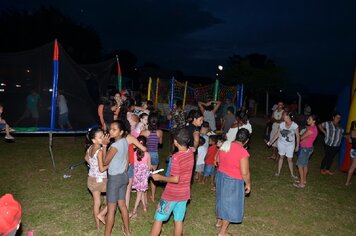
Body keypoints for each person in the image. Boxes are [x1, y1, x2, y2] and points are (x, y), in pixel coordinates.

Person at [150, 128, 194, 236]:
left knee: (158, 218)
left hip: (171, 194)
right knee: (178, 220)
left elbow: (175, 179)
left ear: (175, 141)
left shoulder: (176, 157)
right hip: (184, 193)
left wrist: (160, 177)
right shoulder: (191, 153)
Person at [215, 128, 251, 236]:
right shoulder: (242, 152)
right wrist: (248, 183)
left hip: (220, 176)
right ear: (247, 140)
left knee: (221, 199)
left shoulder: (225, 144)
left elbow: (217, 159)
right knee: (230, 205)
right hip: (233, 180)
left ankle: (219, 221)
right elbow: (244, 173)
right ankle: (223, 232)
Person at [102, 120, 131, 236]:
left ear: (121, 132)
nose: (111, 131)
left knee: (111, 210)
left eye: (114, 129)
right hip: (124, 177)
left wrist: (104, 146)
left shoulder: (114, 146)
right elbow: (127, 159)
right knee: (123, 206)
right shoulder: (125, 141)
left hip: (114, 180)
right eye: (111, 129)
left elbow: (105, 162)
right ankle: (127, 231)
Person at [84, 128, 108, 229]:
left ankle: (98, 225)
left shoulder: (90, 148)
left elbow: (86, 158)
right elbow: (102, 168)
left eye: (103, 136)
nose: (103, 138)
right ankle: (101, 215)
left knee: (97, 202)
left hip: (91, 179)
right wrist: (111, 164)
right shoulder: (100, 151)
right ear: (94, 140)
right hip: (101, 180)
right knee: (114, 198)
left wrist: (92, 165)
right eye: (100, 137)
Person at [268, 112, 300, 179]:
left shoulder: (294, 125)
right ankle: (278, 172)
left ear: (289, 117)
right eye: (283, 116)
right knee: (281, 157)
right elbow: (277, 134)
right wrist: (271, 142)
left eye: (284, 116)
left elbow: (297, 136)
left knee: (290, 159)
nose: (283, 117)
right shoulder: (282, 124)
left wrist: (297, 145)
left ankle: (292, 174)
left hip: (290, 145)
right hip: (281, 143)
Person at [141, 112, 163, 203]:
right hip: (154, 154)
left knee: (145, 176)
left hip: (146, 155)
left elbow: (140, 143)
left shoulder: (144, 132)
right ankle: (153, 196)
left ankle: (144, 198)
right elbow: (160, 143)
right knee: (153, 176)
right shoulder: (160, 132)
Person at [294, 115, 318, 188]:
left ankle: (301, 184)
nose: (307, 120)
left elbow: (301, 137)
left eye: (309, 119)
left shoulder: (312, 129)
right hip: (307, 148)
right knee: (304, 164)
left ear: (314, 121)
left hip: (305, 149)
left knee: (300, 165)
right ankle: (303, 180)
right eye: (308, 119)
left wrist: (299, 134)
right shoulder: (311, 128)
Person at [130, 135, 151, 218]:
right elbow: (149, 167)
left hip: (136, 176)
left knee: (140, 191)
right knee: (140, 193)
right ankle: (135, 209)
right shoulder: (147, 154)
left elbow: (132, 165)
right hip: (143, 177)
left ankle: (144, 206)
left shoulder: (133, 154)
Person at [346, 121, 356, 186]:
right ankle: (347, 182)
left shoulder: (351, 132)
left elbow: (349, 141)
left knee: (353, 165)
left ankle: (348, 181)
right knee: (353, 166)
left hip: (352, 151)